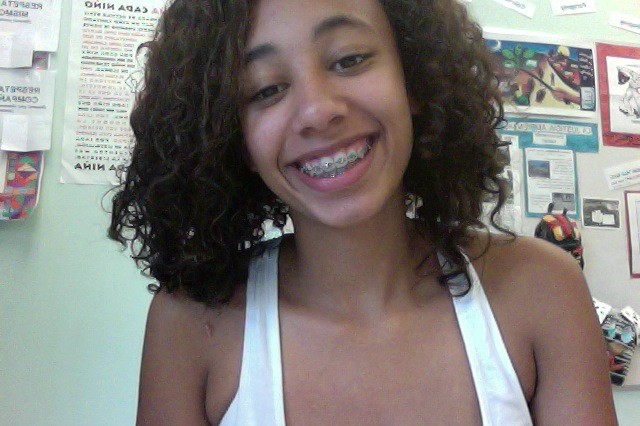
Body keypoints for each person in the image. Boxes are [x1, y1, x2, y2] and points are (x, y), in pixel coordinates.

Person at [109, 0, 617, 424]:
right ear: (232, 136)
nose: (317, 111)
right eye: (265, 89)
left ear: (414, 78)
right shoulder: (190, 325)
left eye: (349, 59)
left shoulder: (542, 289)